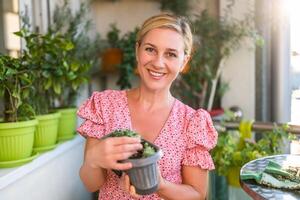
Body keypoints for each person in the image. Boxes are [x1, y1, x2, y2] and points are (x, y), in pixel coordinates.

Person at [77, 13, 218, 200]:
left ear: (184, 61)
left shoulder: (192, 122)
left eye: (171, 54)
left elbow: (197, 195)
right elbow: (91, 184)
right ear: (137, 50)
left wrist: (159, 185)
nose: (158, 62)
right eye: (150, 49)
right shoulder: (105, 106)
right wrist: (93, 160)